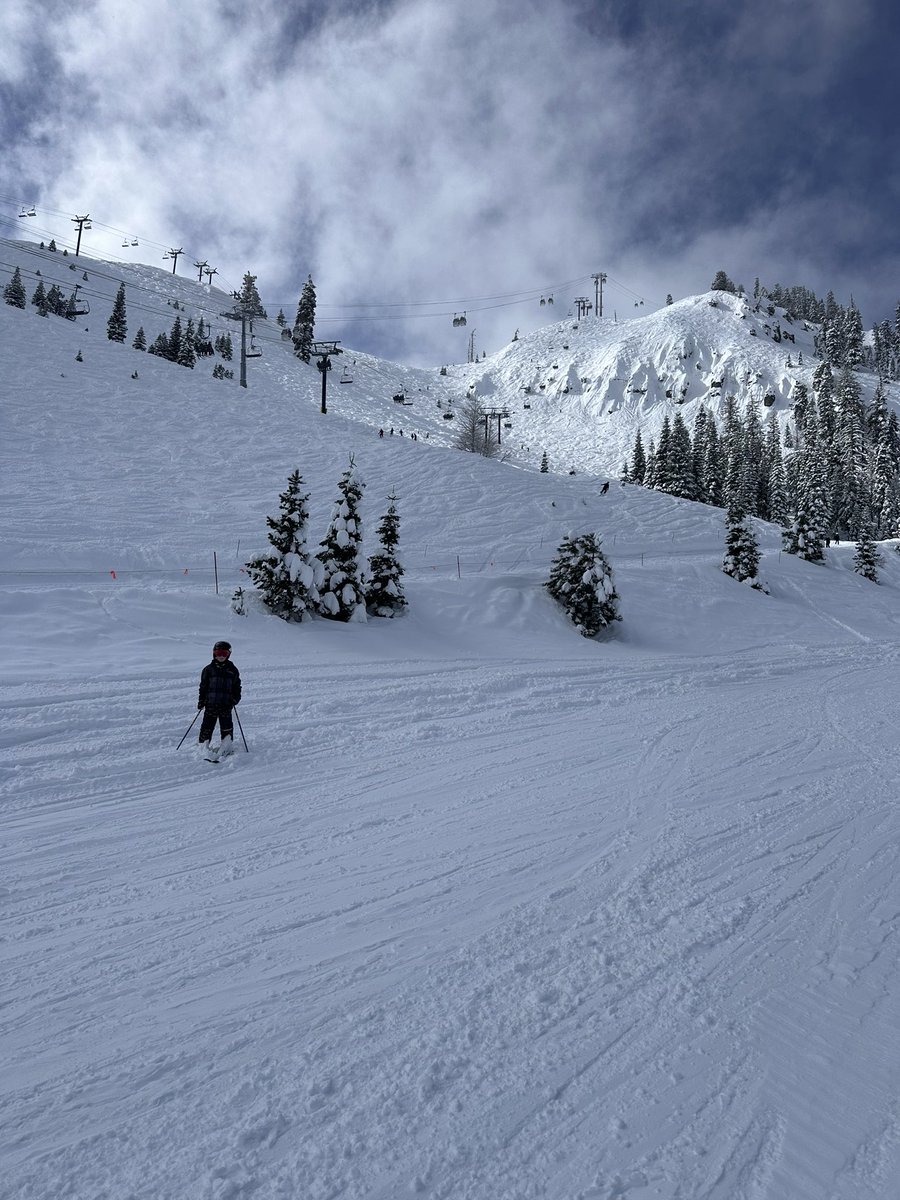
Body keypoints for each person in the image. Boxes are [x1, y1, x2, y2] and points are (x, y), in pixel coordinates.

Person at [198, 641, 241, 754]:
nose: (221, 656)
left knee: (226, 727)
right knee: (207, 726)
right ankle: (203, 745)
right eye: (218, 653)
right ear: (214, 653)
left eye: (224, 653)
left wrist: (235, 699)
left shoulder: (232, 670)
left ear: (228, 655)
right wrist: (201, 700)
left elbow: (237, 687)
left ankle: (226, 746)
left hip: (226, 705)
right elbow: (203, 687)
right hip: (210, 704)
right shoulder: (208, 670)